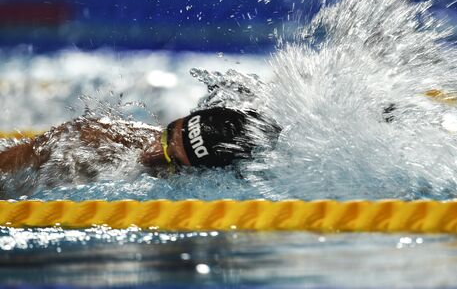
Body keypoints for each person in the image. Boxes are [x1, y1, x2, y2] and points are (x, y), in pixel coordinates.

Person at [0, 107, 281, 196]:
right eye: (166, 135)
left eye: (170, 158)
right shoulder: (100, 141)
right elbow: (35, 150)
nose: (151, 152)